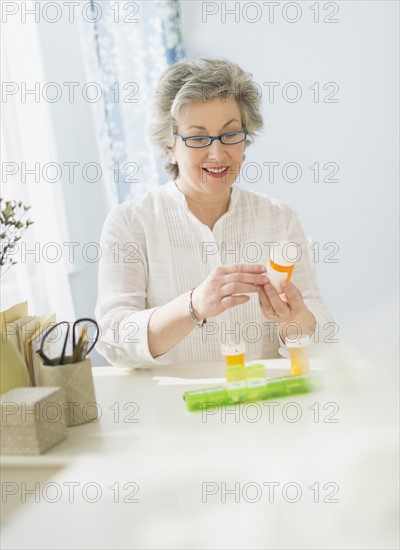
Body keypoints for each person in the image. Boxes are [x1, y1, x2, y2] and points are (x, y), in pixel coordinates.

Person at [95, 57, 334, 368]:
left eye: (230, 134)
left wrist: (296, 320)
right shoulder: (130, 224)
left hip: (265, 405)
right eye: (197, 138)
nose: (218, 153)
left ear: (246, 139)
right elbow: (114, 339)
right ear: (170, 145)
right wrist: (193, 306)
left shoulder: (279, 218)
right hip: (174, 409)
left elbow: (323, 337)